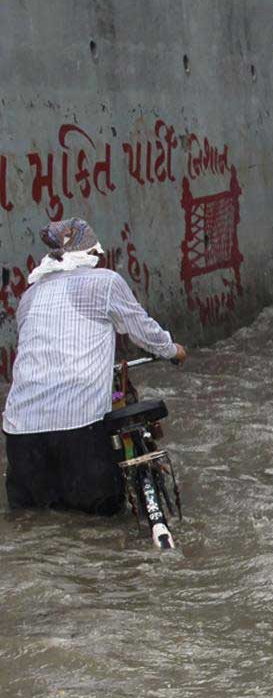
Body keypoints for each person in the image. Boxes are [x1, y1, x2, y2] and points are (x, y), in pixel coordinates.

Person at [3, 218, 187, 515]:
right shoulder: (105, 282)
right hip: (80, 427)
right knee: (104, 520)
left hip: (21, 431)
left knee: (33, 522)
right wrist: (173, 350)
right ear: (92, 255)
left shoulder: (29, 297)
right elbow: (143, 331)